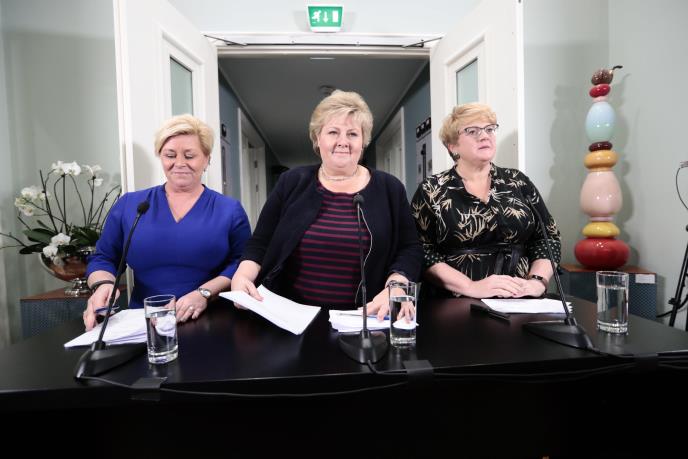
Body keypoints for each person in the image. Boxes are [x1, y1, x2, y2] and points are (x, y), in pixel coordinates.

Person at [231, 90, 422, 318]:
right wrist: (242, 276)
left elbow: (410, 248)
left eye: (352, 134)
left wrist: (396, 286)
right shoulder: (291, 182)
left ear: (363, 142)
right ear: (317, 138)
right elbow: (260, 243)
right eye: (333, 132)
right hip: (291, 317)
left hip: (364, 319)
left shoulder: (389, 188)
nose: (343, 142)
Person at [83, 114, 251, 330]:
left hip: (212, 321)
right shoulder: (130, 205)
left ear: (207, 159)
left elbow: (242, 263)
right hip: (144, 325)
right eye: (170, 155)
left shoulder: (229, 210)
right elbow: (104, 258)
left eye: (190, 156)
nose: (179, 163)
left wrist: (204, 293)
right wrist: (103, 285)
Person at [411, 103, 561, 299]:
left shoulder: (518, 182)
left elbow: (547, 238)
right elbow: (421, 250)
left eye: (489, 129)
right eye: (472, 131)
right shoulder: (431, 189)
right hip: (453, 302)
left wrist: (537, 282)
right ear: (452, 145)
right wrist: (470, 286)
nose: (484, 136)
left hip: (519, 301)